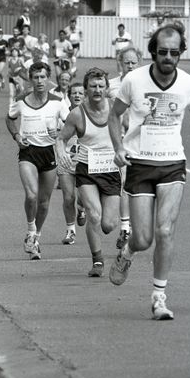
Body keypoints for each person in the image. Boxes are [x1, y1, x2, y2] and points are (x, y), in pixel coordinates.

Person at [108, 23, 190, 320]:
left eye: (174, 53)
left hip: (173, 164)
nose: (168, 58)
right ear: (153, 52)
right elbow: (115, 116)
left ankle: (159, 297)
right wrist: (119, 148)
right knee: (143, 239)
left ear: (181, 54)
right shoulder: (134, 81)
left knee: (165, 231)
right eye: (163, 52)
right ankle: (127, 252)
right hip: (139, 164)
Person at [56, 68, 121, 277]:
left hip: (111, 170)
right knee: (94, 215)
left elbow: (132, 130)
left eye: (101, 86)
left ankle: (84, 205)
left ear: (107, 88)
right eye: (93, 86)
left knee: (109, 224)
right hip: (87, 170)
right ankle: (98, 261)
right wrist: (62, 154)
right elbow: (60, 138)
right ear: (86, 90)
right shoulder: (77, 114)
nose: (97, 90)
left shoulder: (116, 109)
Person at [5, 61, 70, 260]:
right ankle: (30, 230)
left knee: (43, 202)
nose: (40, 81)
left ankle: (36, 237)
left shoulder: (58, 102)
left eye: (43, 77)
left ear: (48, 78)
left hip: (49, 153)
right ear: (30, 79)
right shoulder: (22, 100)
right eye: (36, 77)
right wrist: (16, 136)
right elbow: (9, 118)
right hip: (28, 152)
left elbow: (71, 125)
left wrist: (59, 131)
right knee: (31, 195)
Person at [108, 46, 142, 249]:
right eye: (126, 62)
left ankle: (127, 227)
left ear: (139, 63)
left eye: (133, 62)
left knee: (130, 186)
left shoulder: (145, 86)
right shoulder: (111, 86)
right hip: (116, 142)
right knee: (120, 183)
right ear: (120, 63)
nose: (129, 66)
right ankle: (125, 227)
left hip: (139, 143)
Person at [55, 82, 86, 245]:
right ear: (69, 95)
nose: (77, 96)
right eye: (74, 93)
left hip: (85, 161)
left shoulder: (89, 114)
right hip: (66, 160)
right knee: (68, 197)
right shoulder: (62, 113)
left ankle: (81, 208)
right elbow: (56, 135)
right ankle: (70, 231)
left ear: (85, 95)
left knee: (83, 197)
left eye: (80, 93)